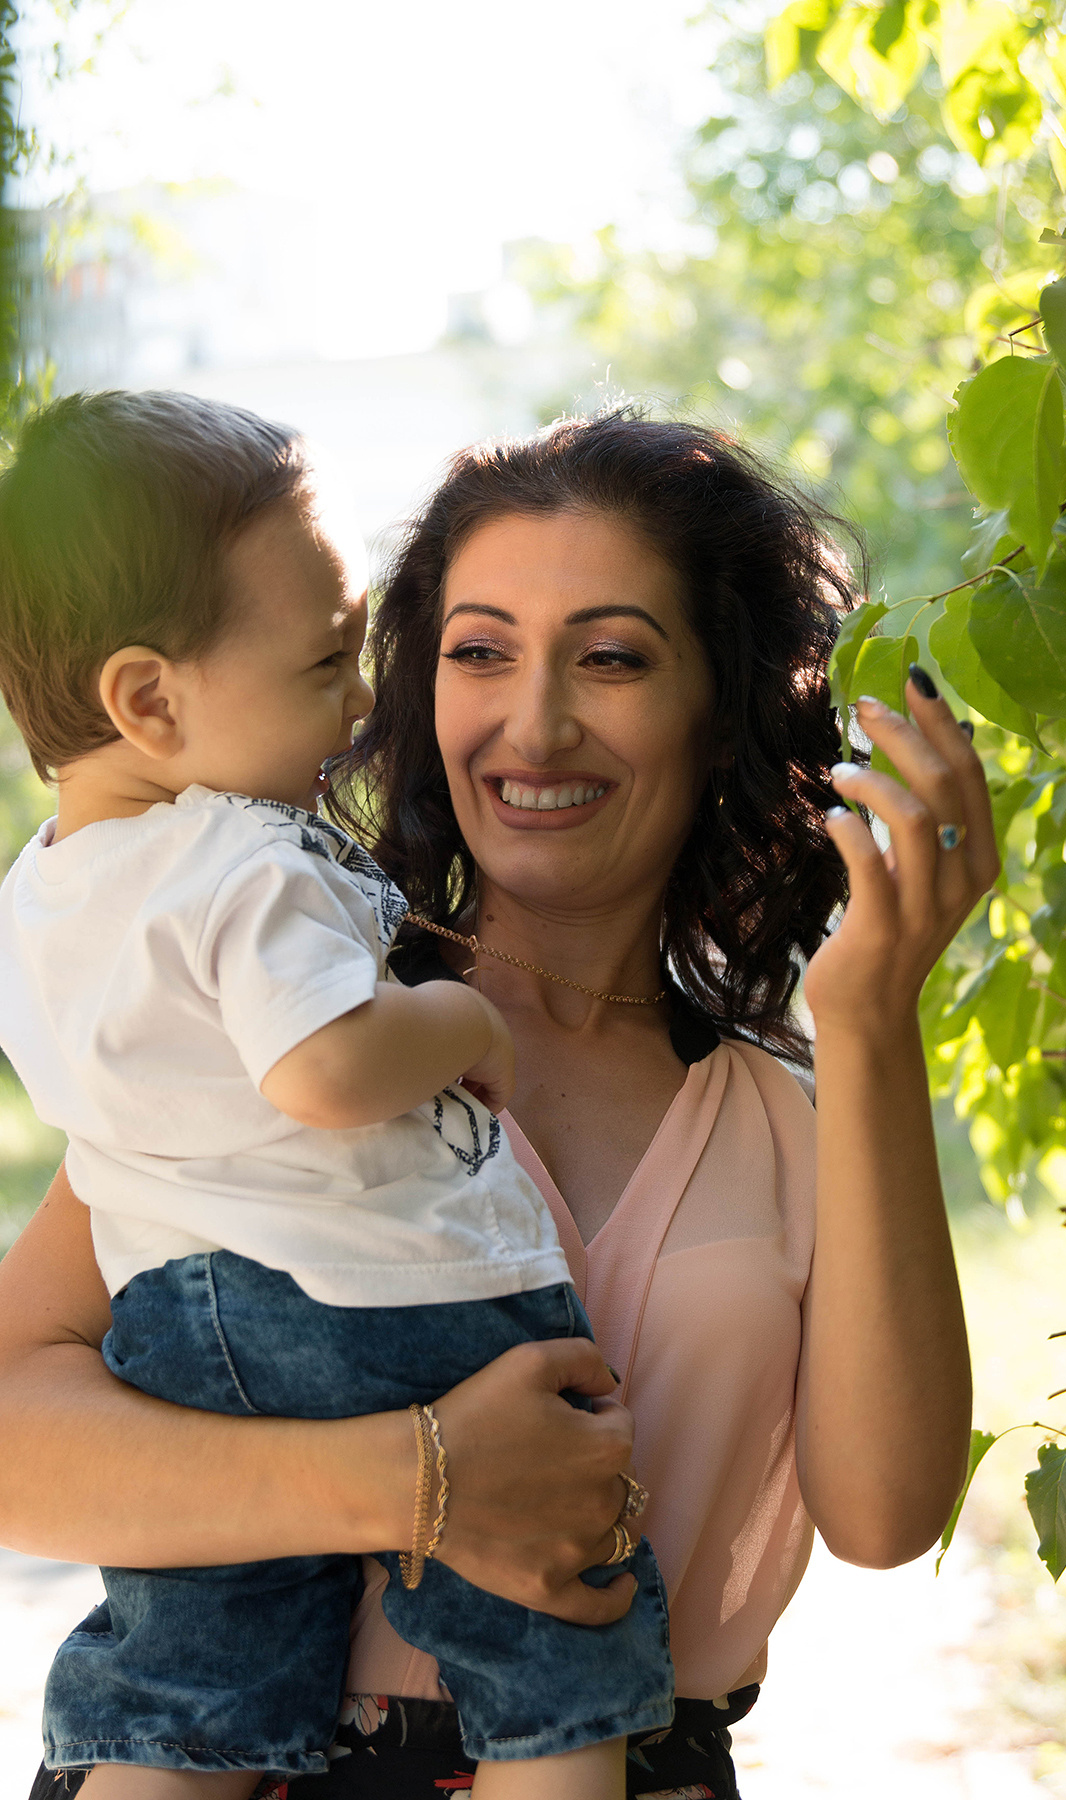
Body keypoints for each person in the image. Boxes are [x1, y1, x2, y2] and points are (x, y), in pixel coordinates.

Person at [1, 407, 996, 1800]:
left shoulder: (790, 1111)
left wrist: (874, 1026)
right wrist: (412, 1482)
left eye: (612, 657)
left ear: (718, 704)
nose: (535, 722)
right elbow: (12, 1439)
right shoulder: (296, 1023)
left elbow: (887, 1517)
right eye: (479, 653)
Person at [0, 392, 673, 1800]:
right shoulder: (243, 860)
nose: (363, 700)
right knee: (554, 1633)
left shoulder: (39, 899)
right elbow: (324, 1070)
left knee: (186, 1672)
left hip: (175, 1332)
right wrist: (455, 1015)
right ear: (148, 701)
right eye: (323, 663)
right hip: (375, 1296)